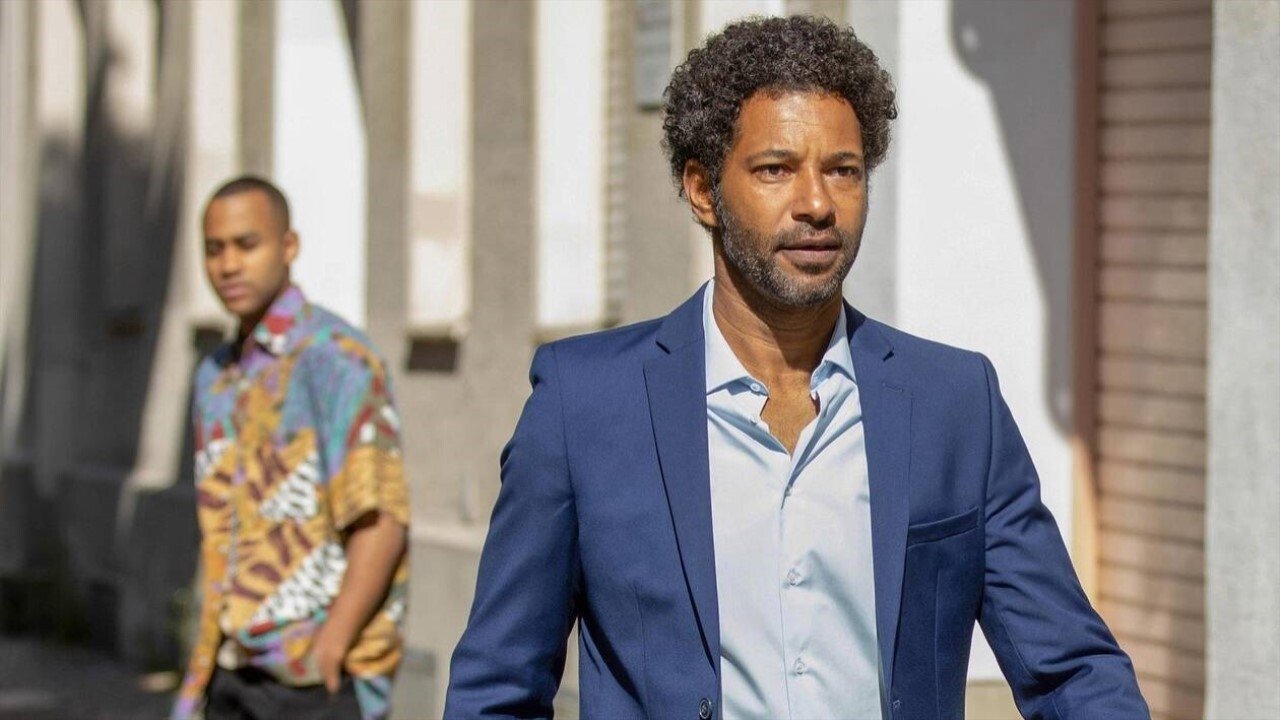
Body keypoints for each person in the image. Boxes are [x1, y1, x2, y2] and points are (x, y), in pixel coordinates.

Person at [445, 15, 1147, 720]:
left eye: (843, 170)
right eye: (775, 170)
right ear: (702, 190)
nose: (817, 204)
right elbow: (498, 687)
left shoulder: (954, 405)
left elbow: (1072, 671)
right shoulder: (585, 406)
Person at [173, 176, 410, 720]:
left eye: (246, 244)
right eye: (214, 249)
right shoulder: (215, 375)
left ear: (288, 246)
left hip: (312, 683)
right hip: (227, 669)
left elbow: (381, 520)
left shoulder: (336, 358)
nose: (229, 265)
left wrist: (330, 647)